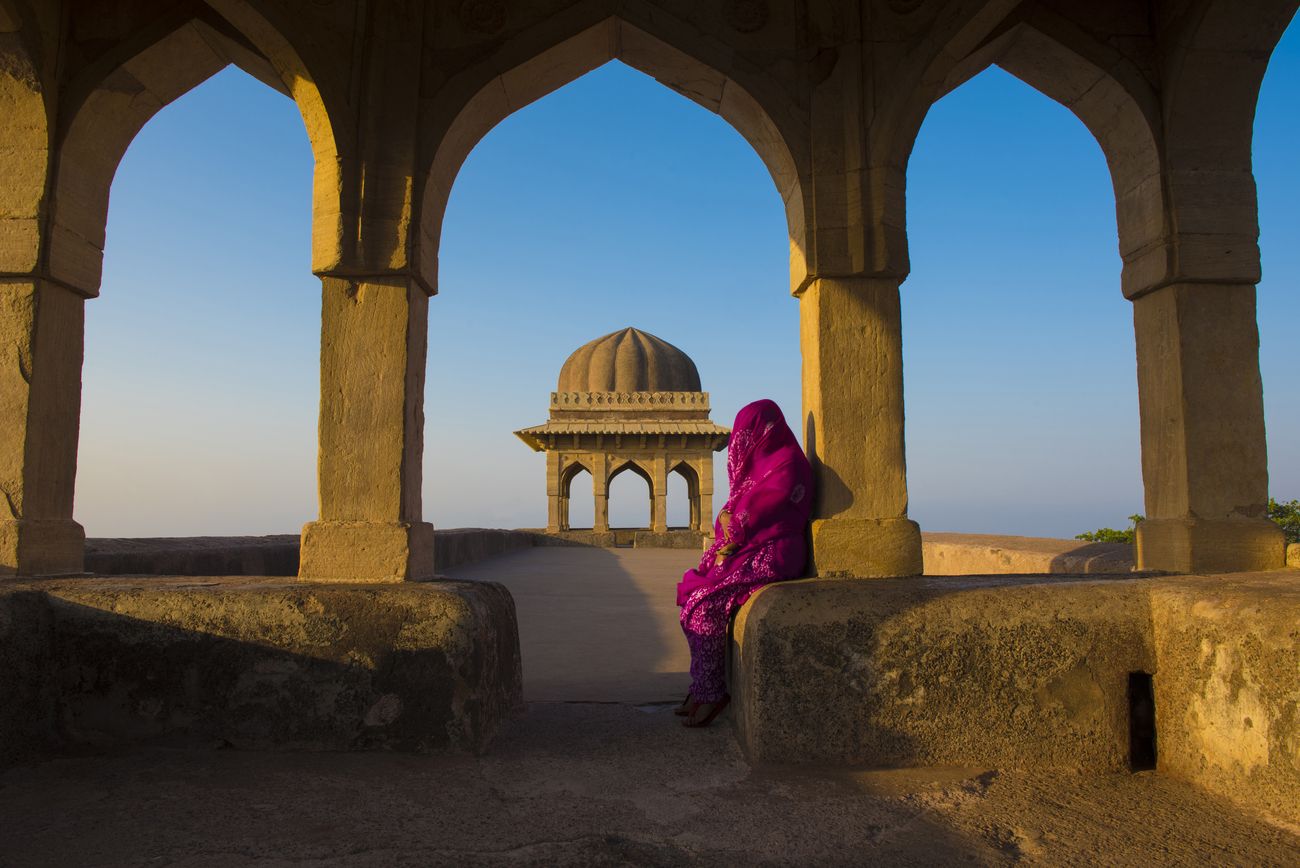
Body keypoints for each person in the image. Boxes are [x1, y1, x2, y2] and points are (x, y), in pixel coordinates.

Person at [675, 399, 814, 728]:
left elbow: (743, 519)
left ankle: (712, 694)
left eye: (746, 434)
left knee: (705, 605)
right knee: (692, 599)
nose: (740, 444)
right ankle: (701, 685)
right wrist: (729, 522)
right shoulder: (760, 468)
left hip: (777, 551)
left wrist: (730, 522)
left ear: (765, 432)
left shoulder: (788, 465)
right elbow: (728, 517)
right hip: (752, 546)